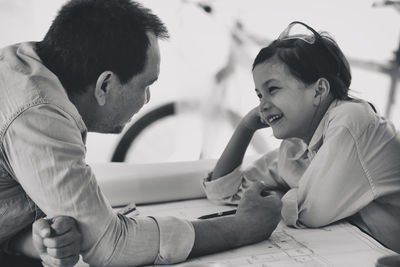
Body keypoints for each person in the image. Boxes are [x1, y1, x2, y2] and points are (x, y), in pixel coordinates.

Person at [0, 0, 282, 266]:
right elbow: (112, 245)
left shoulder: (21, 66)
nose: (147, 99)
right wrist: (241, 227)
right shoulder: (38, 113)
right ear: (105, 85)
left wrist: (29, 240)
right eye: (146, 85)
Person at [202, 21, 400, 254]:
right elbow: (224, 191)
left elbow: (311, 212)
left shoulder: (351, 120)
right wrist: (246, 127)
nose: (263, 106)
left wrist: (276, 195)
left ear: (318, 91)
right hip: (363, 248)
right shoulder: (296, 144)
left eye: (273, 89)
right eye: (258, 95)